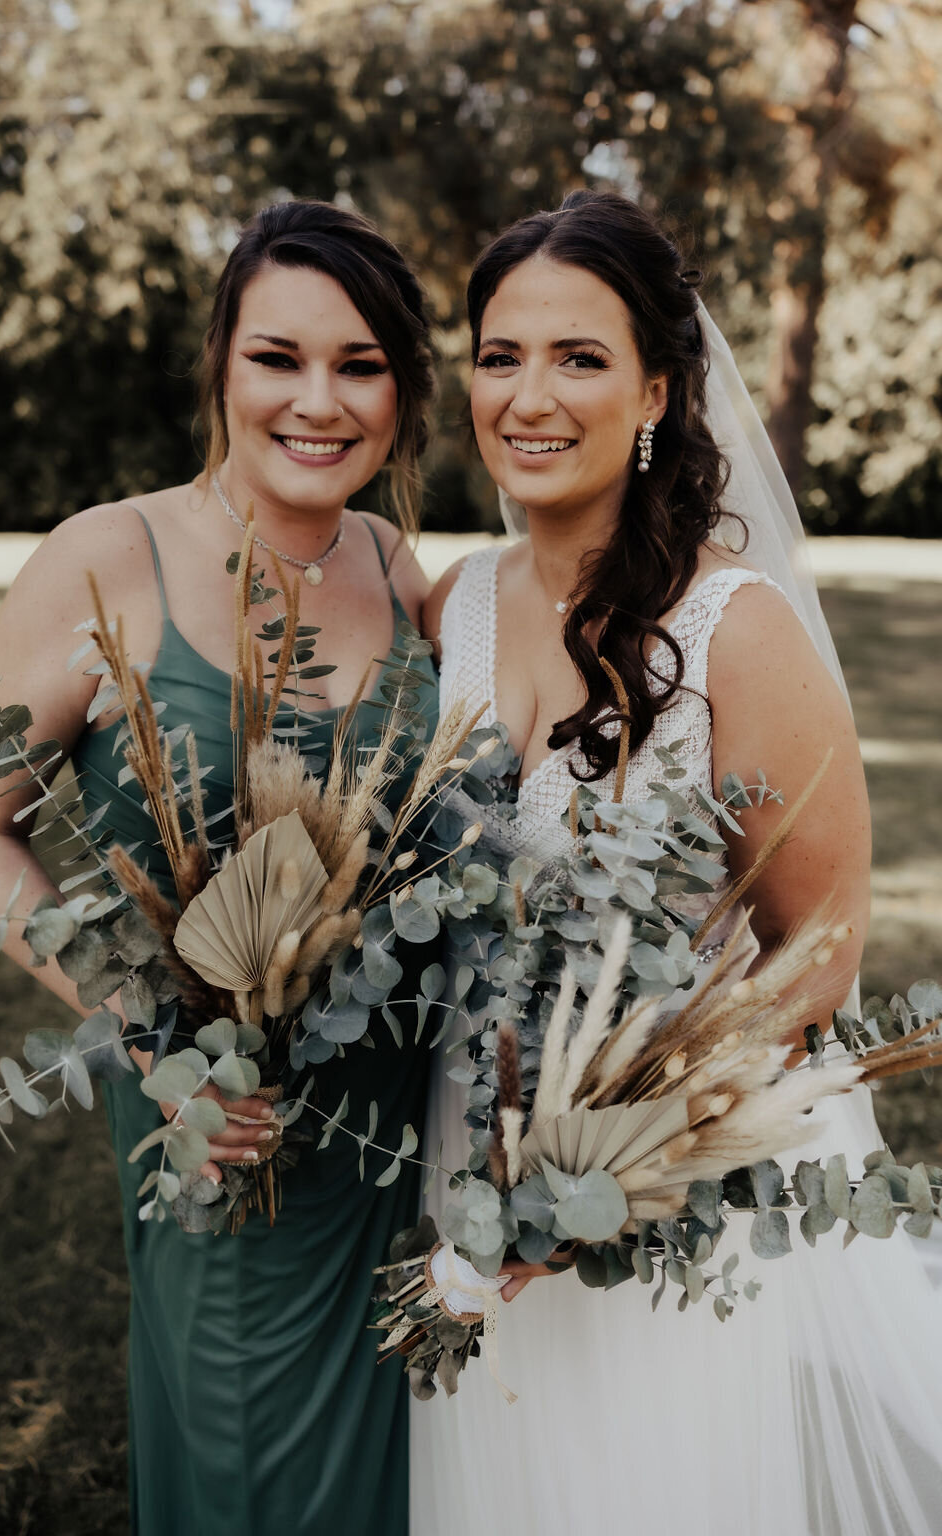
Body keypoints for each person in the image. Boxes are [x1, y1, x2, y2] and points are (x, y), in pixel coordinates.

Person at [415, 190, 942, 1535]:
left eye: (579, 358)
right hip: (472, 1154)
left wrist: (627, 1145)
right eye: (500, 354)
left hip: (672, 1195)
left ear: (656, 390)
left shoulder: (735, 631)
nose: (530, 395)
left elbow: (820, 938)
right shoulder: (454, 604)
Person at [0, 200, 438, 1536]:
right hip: (223, 1132)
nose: (318, 401)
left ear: (402, 389)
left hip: (395, 1136)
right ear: (221, 366)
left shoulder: (392, 561)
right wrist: (156, 1038)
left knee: (408, 1479)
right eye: (279, 358)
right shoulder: (112, 558)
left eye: (362, 365)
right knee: (248, 1472)